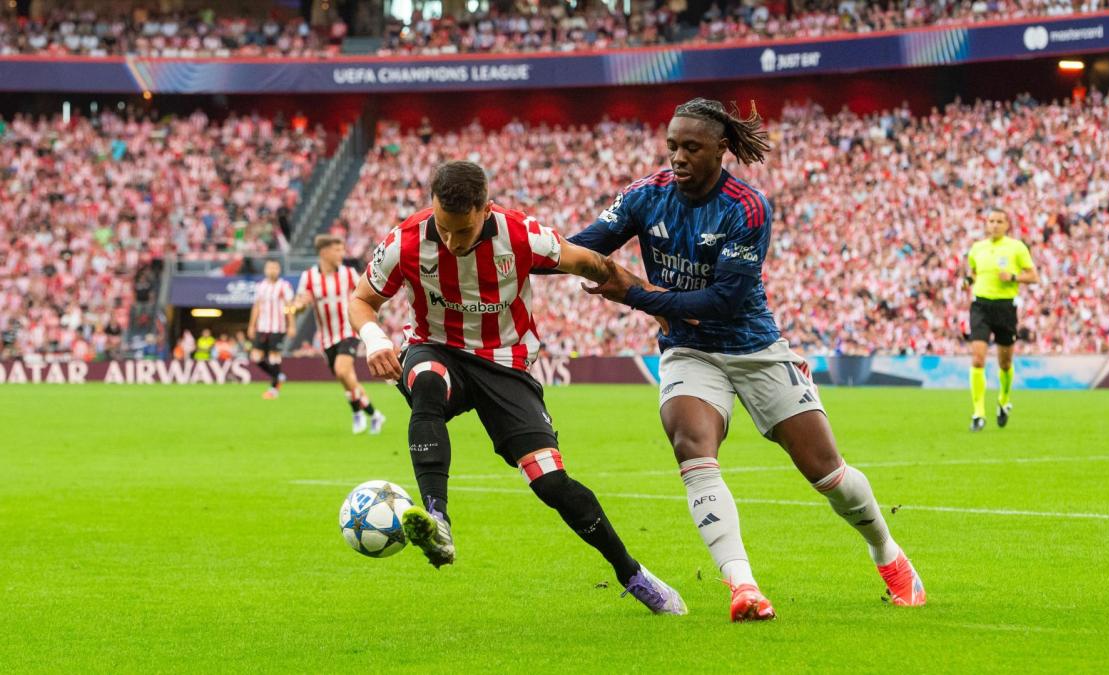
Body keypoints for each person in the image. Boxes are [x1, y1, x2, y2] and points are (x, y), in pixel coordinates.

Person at [572, 98, 927, 621]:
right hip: (690, 353)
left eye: (691, 147)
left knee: (827, 473)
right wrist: (517, 246)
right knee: (691, 445)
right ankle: (743, 587)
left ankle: (888, 554)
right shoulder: (646, 196)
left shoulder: (747, 206)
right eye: (672, 145)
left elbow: (723, 302)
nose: (678, 157)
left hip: (753, 347)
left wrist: (635, 293)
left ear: (722, 149)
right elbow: (579, 247)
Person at [347, 160, 686, 615]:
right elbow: (362, 300)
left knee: (553, 484)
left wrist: (654, 304)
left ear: (486, 210)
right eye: (443, 229)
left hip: (505, 365)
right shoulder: (404, 242)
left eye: (462, 232)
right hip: (435, 349)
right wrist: (375, 339)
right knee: (426, 380)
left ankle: (633, 574)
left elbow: (594, 264)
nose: (451, 241)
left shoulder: (522, 235)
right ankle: (437, 518)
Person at [292, 234, 386, 435]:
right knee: (347, 378)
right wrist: (298, 306)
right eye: (337, 250)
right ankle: (374, 414)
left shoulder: (349, 274)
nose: (342, 254)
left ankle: (356, 412)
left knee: (343, 371)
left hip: (348, 330)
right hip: (326, 337)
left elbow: (364, 296)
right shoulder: (308, 277)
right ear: (324, 252)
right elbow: (302, 301)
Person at [964, 208, 1039, 431]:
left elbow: (1033, 276)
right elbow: (974, 273)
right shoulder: (977, 248)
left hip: (1005, 307)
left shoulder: (1016, 248)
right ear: (986, 224)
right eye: (991, 221)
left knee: (1004, 362)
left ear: (1007, 225)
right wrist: (968, 281)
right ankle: (978, 413)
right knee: (978, 358)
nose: (995, 225)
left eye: (999, 221)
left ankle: (1004, 400)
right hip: (980, 306)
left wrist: (1014, 277)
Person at [247, 259, 295, 399]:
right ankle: (278, 376)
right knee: (255, 357)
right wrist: (251, 325)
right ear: (265, 270)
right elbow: (256, 307)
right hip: (262, 327)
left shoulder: (284, 286)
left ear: (279, 270)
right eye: (270, 268)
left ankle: (273, 388)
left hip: (277, 327)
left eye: (275, 268)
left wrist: (291, 325)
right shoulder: (260, 286)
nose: (272, 270)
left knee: (274, 356)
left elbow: (289, 306)